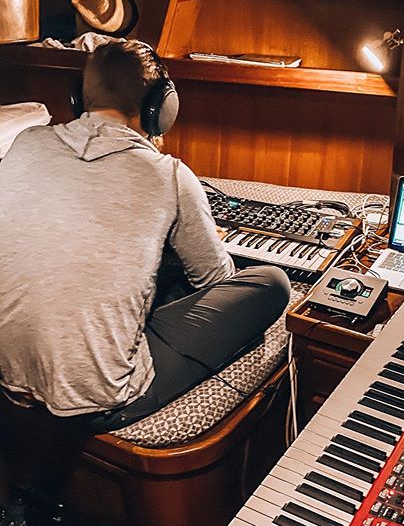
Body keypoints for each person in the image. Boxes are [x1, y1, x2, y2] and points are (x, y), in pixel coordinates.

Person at [0, 40, 291, 443]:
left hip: (8, 379)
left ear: (77, 96)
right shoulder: (168, 174)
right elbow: (214, 279)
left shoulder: (25, 143)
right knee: (271, 283)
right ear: (161, 107)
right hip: (102, 400)